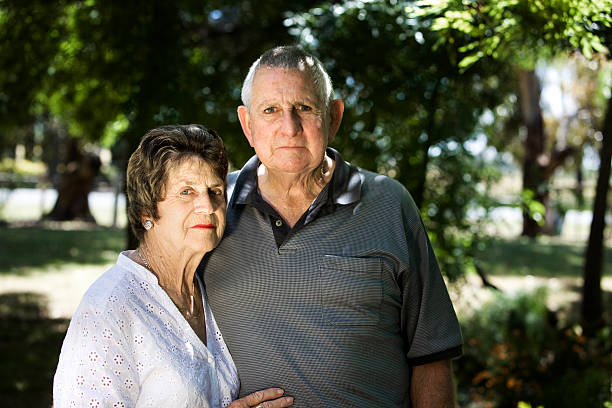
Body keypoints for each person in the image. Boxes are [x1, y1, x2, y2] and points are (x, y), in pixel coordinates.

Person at [200, 46, 463, 407]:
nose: (289, 127)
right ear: (248, 124)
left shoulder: (388, 203)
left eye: (304, 108)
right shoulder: (209, 207)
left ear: (334, 117)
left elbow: (431, 355)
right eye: (271, 110)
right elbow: (163, 338)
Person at [53, 125, 294, 408]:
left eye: (215, 191)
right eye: (186, 192)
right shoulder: (107, 309)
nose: (207, 205)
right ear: (146, 211)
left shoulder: (209, 288)